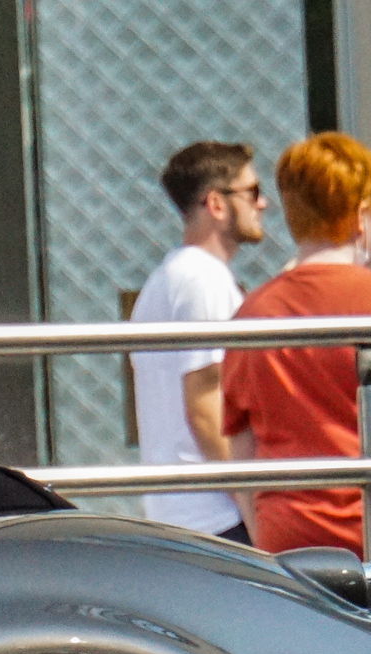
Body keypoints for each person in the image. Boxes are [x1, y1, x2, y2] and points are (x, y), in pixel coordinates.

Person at [220, 133, 371, 570]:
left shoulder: (255, 312)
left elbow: (239, 437)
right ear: (361, 215)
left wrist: (260, 527)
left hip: (291, 539)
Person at [131, 142, 265, 543]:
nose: (264, 204)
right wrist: (251, 504)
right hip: (216, 518)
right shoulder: (202, 281)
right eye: (253, 192)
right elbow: (206, 407)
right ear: (217, 204)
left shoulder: (171, 278)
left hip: (187, 514)